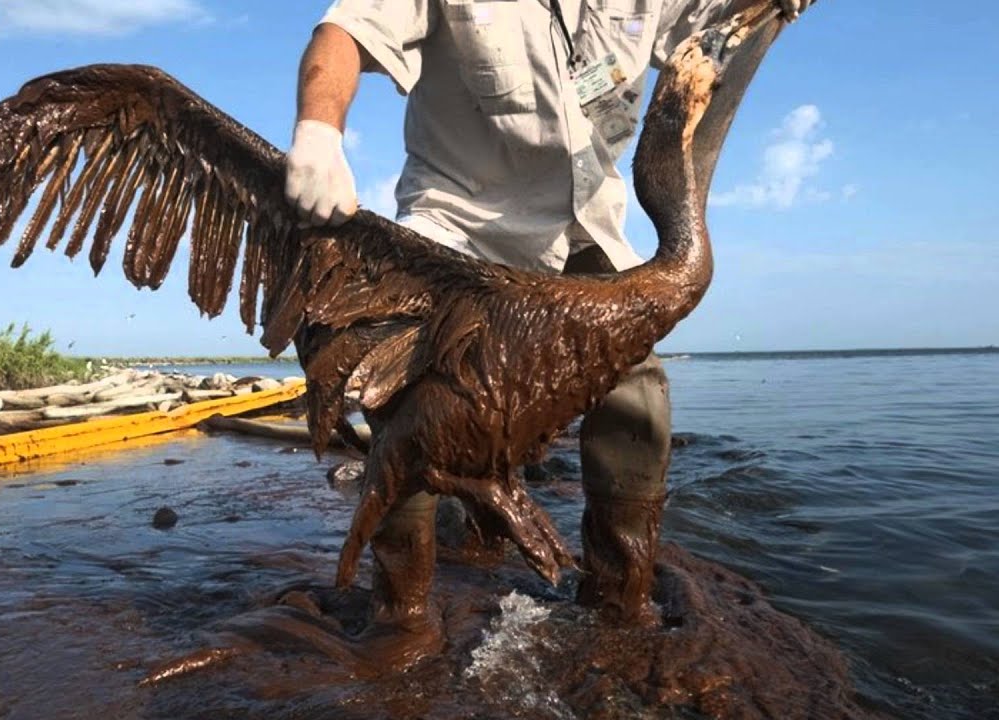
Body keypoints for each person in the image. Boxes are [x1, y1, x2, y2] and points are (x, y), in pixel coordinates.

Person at [285, 0, 810, 628]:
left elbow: (719, 28)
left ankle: (620, 594)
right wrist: (318, 132)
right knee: (413, 408)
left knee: (635, 394)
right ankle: (400, 613)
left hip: (586, 228)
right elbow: (341, 34)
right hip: (462, 228)